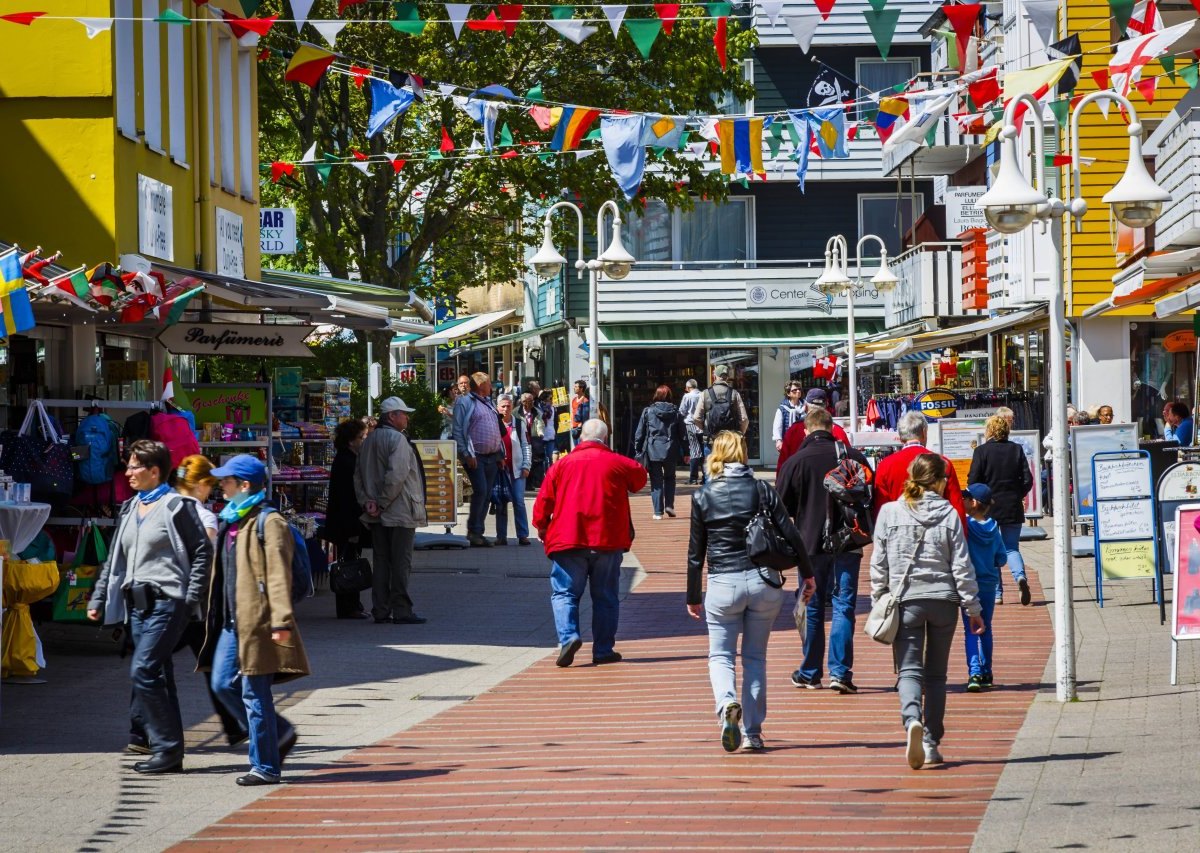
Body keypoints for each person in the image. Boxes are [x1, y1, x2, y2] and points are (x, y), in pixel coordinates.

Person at [87, 440, 213, 774]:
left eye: (134, 466)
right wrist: (99, 597)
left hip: (170, 601)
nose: (127, 472)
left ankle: (164, 748)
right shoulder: (130, 508)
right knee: (158, 673)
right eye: (127, 466)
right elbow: (115, 558)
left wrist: (191, 597)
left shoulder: (177, 506)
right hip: (137, 605)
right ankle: (170, 753)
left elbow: (202, 552)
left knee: (143, 670)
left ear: (154, 471)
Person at [687, 431, 815, 752]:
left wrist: (692, 595)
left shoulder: (703, 496)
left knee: (721, 655)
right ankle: (753, 733)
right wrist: (807, 574)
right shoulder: (761, 489)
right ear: (743, 453)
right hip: (763, 581)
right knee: (755, 657)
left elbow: (695, 553)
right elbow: (791, 532)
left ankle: (727, 703)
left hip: (722, 584)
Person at [870, 453, 984, 770]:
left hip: (905, 599)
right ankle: (931, 742)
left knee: (908, 670)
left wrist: (879, 597)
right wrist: (972, 607)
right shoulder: (949, 513)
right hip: (944, 602)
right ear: (936, 481)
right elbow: (962, 565)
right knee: (936, 676)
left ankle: (911, 722)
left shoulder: (890, 513)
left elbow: (879, 563)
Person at [200, 454, 308, 786]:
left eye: (227, 481)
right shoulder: (233, 519)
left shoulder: (268, 522)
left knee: (253, 692)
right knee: (221, 683)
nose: (221, 486)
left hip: (259, 621)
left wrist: (280, 620)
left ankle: (265, 766)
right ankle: (280, 732)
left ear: (245, 485)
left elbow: (278, 575)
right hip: (232, 621)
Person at [532, 419, 647, 668]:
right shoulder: (617, 463)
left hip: (568, 539)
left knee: (564, 592)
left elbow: (544, 500)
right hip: (607, 540)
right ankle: (603, 649)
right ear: (605, 439)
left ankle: (569, 637)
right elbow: (639, 477)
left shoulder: (562, 465)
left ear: (580, 437)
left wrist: (541, 525)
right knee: (605, 596)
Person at [776, 407, 872, 694]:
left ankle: (810, 671)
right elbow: (870, 492)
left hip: (810, 545)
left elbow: (782, 506)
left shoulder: (796, 461)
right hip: (849, 542)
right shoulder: (852, 456)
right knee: (844, 605)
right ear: (832, 428)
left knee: (812, 606)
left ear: (806, 430)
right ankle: (840, 673)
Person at [170, 454, 247, 747]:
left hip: (167, 599)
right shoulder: (204, 517)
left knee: (151, 664)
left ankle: (143, 731)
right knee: (214, 668)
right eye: (211, 484)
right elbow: (208, 559)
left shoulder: (164, 509)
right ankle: (235, 725)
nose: (214, 490)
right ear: (201, 484)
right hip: (197, 605)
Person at [355, 396, 427, 624]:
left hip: (376, 512)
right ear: (392, 416)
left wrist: (368, 502)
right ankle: (402, 610)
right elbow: (396, 475)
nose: (407, 417)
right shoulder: (398, 440)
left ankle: (381, 609)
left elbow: (358, 477)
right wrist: (383, 502)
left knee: (382, 561)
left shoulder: (368, 441)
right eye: (403, 413)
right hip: (399, 510)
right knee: (400, 562)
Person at [967, 415, 1034, 607]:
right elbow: (1028, 480)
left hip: (988, 507)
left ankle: (997, 593)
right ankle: (1020, 577)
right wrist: (1017, 493)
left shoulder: (981, 451)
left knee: (990, 549)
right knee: (1011, 547)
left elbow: (973, 481)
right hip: (1012, 506)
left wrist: (982, 498)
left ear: (989, 430)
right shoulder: (1016, 449)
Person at [872, 410, 966, 527]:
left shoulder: (885, 465)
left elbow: (880, 510)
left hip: (899, 535)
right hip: (937, 533)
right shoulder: (943, 463)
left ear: (901, 438)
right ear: (924, 432)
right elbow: (957, 507)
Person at [962, 483, 1007, 692]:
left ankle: (974, 672)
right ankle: (987, 670)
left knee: (970, 629)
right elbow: (1002, 557)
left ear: (973, 502)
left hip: (968, 583)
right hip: (989, 583)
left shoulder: (966, 526)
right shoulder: (993, 527)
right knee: (985, 627)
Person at [454, 371, 505, 548]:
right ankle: (474, 532)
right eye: (489, 383)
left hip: (492, 456)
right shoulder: (465, 402)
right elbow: (459, 429)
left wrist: (500, 454)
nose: (492, 386)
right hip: (477, 456)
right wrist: (466, 454)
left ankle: (479, 533)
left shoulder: (488, 402)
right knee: (481, 491)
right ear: (482, 386)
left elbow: (496, 429)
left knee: (487, 493)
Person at [325, 418, 370, 619]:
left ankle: (353, 603)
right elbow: (346, 497)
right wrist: (352, 529)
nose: (364, 441)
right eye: (362, 437)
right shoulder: (346, 462)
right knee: (348, 563)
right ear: (351, 441)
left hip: (347, 520)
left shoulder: (349, 458)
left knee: (350, 560)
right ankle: (348, 606)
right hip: (346, 522)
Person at [633, 384, 687, 520]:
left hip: (653, 449)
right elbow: (683, 434)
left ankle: (658, 512)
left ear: (656, 395)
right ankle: (669, 505)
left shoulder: (648, 411)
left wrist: (638, 449)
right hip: (671, 450)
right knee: (670, 478)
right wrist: (686, 452)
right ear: (670, 396)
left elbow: (640, 433)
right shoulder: (676, 412)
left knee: (656, 480)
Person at [777, 389, 850, 468]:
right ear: (826, 405)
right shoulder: (837, 430)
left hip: (800, 478)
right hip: (831, 478)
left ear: (806, 406)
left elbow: (782, 465)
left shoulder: (793, 430)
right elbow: (848, 462)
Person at [495, 394, 533, 546]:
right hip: (500, 470)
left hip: (517, 469)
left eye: (508, 406)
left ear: (512, 407)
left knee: (518, 501)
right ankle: (501, 536)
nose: (505, 409)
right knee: (501, 502)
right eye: (503, 406)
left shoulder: (519, 423)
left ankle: (523, 535)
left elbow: (526, 445)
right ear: (497, 407)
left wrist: (526, 465)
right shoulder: (494, 423)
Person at [693, 364, 750, 437]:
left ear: (714, 376)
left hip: (711, 439)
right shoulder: (735, 393)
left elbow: (696, 418)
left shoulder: (705, 393)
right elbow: (744, 419)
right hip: (730, 439)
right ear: (727, 377)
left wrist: (706, 429)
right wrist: (740, 433)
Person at [678, 378, 706, 484]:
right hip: (702, 425)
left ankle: (693, 478)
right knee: (703, 452)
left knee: (694, 451)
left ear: (688, 387)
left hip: (691, 425)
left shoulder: (687, 396)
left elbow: (682, 411)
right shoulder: (703, 394)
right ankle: (705, 477)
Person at [772, 383, 806, 454]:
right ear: (788, 393)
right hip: (788, 442)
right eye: (794, 390)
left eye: (799, 389)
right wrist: (778, 440)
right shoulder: (782, 409)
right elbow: (777, 427)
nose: (798, 391)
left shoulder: (806, 407)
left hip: (803, 442)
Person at [570, 380, 591, 446]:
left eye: (576, 387)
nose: (574, 388)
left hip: (581, 428)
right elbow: (572, 412)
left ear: (581, 389)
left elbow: (587, 415)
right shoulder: (574, 399)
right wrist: (571, 424)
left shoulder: (585, 400)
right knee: (576, 448)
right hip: (573, 428)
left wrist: (581, 424)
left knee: (581, 447)